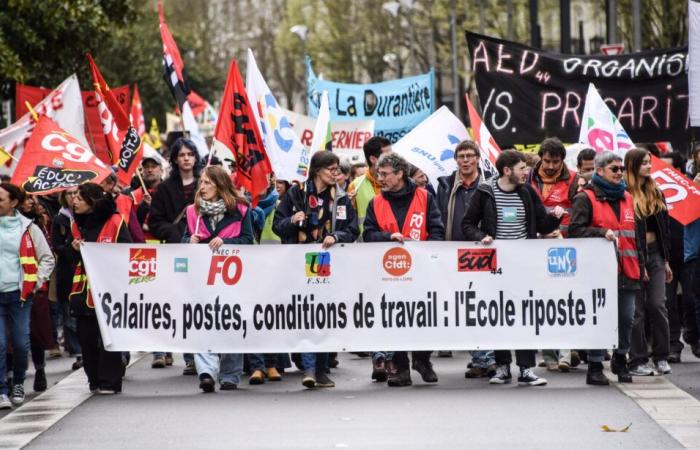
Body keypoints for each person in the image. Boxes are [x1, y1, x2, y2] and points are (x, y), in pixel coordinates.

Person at [462, 150, 563, 386]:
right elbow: (467, 224)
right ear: (507, 171)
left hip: (523, 266)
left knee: (524, 315)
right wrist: (481, 236)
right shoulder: (485, 192)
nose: (526, 172)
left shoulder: (528, 191)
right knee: (499, 315)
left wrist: (556, 217)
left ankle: (526, 369)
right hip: (495, 266)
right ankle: (503, 367)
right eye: (521, 168)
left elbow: (544, 223)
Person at [273, 151, 358, 389]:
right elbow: (277, 226)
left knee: (325, 314)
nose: (336, 174)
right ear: (317, 170)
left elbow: (353, 230)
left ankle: (321, 369)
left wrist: (335, 235)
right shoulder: (296, 193)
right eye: (331, 169)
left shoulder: (340, 197)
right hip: (299, 263)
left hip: (327, 263)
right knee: (307, 315)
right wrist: (292, 220)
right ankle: (309, 368)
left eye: (337, 169)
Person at [363, 152, 445, 387]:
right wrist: (388, 236)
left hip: (421, 270)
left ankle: (422, 359)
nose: (381, 178)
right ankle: (401, 369)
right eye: (379, 173)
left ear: (400, 174)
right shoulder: (376, 202)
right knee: (396, 318)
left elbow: (437, 230)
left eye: (385, 174)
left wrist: (428, 254)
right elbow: (368, 234)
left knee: (425, 316)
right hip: (390, 272)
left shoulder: (425, 197)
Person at [569, 151, 642, 385]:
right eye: (614, 168)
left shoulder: (628, 198)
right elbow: (575, 230)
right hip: (597, 274)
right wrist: (601, 233)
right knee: (599, 318)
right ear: (599, 171)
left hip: (627, 270)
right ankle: (595, 365)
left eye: (621, 168)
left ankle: (621, 358)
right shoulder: (585, 197)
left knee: (626, 318)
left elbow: (635, 237)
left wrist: (643, 264)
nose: (620, 172)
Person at [182, 165, 254, 393]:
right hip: (203, 280)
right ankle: (206, 372)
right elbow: (184, 241)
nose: (201, 187)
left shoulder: (241, 210)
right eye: (201, 182)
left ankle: (230, 374)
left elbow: (248, 240)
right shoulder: (193, 212)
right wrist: (189, 243)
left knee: (231, 323)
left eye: (207, 183)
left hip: (232, 279)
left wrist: (226, 243)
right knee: (203, 321)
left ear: (220, 185)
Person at [436, 140, 495, 377]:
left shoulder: (489, 183)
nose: (466, 160)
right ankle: (481, 357)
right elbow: (440, 215)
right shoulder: (446, 185)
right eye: (461, 156)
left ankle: (487, 357)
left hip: (485, 251)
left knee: (486, 306)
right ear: (456, 160)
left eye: (470, 155)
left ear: (478, 158)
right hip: (455, 253)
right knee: (468, 308)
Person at [69, 183, 131, 394]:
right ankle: (93, 379)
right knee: (86, 339)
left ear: (91, 201)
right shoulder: (75, 225)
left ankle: (110, 381)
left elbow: (126, 252)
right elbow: (68, 259)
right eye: (74, 197)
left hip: (109, 291)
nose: (73, 201)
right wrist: (76, 250)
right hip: (83, 293)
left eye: (79, 197)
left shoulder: (115, 221)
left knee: (108, 337)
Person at [148, 138, 201, 375]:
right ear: (175, 159)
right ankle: (189, 357)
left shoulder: (205, 183)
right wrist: (177, 233)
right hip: (177, 253)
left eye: (190, 154)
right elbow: (155, 222)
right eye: (182, 155)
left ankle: (202, 354)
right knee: (183, 303)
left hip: (203, 252)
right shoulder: (165, 189)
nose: (187, 158)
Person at [0, 183, 55, 408]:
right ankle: (2, 390)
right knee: (1, 344)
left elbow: (47, 258)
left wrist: (34, 282)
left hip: (20, 297)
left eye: (0, 199)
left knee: (22, 344)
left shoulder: (29, 228)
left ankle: (19, 382)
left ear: (13, 202)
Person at [529, 138, 580, 372]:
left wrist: (562, 233)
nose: (550, 166)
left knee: (565, 300)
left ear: (562, 161)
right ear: (541, 157)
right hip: (536, 247)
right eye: (547, 161)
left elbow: (578, 213)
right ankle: (548, 355)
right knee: (542, 301)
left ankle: (566, 354)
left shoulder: (574, 179)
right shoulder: (529, 177)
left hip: (564, 248)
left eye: (556, 162)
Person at [623, 148, 673, 376]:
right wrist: (638, 261)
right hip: (634, 254)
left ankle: (661, 356)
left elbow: (664, 229)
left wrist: (666, 260)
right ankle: (637, 359)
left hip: (656, 254)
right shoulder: (624, 193)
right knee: (637, 310)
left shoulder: (656, 191)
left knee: (658, 304)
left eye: (649, 162)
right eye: (643, 163)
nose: (648, 166)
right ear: (633, 165)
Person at [17, 193, 56, 392]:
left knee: (36, 335)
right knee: (11, 338)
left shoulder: (35, 226)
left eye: (32, 198)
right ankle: (13, 378)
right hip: (11, 290)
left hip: (35, 291)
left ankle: (40, 369)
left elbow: (47, 257)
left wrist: (36, 281)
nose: (31, 202)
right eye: (26, 198)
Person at [51, 188, 83, 372]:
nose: (73, 197)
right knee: (69, 314)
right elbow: (56, 246)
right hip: (67, 270)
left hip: (84, 270)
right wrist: (70, 247)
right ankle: (78, 353)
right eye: (69, 193)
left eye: (76, 194)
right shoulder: (60, 218)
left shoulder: (86, 216)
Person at [347, 136, 391, 235]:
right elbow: (349, 223)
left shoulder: (399, 182)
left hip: (397, 243)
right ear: (373, 159)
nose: (393, 159)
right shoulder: (355, 185)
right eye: (387, 156)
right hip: (367, 246)